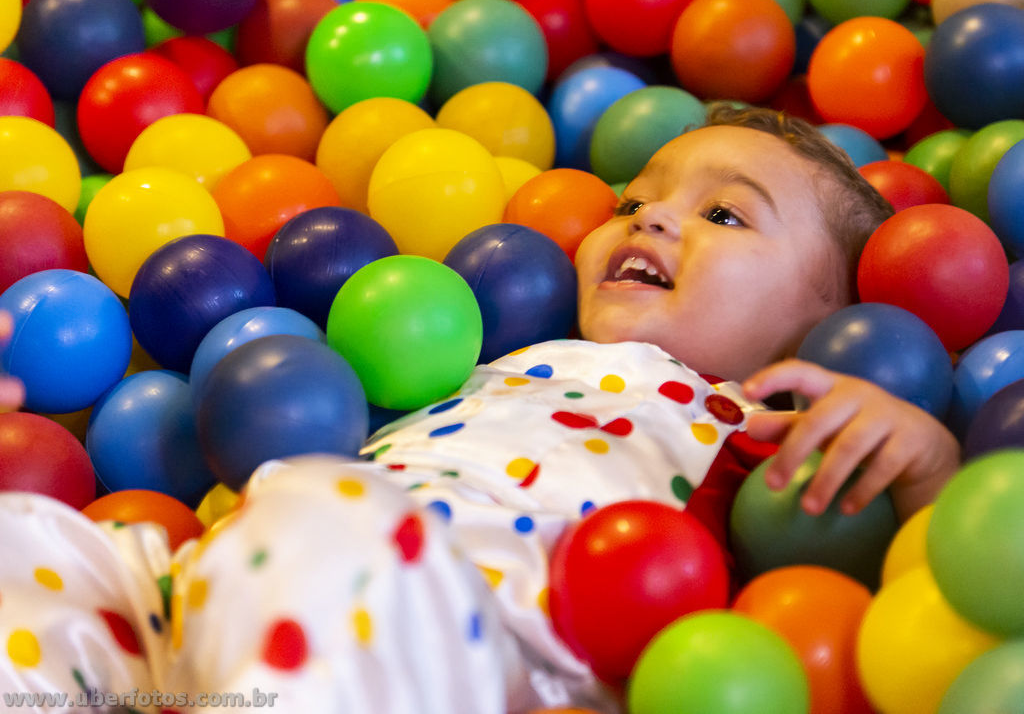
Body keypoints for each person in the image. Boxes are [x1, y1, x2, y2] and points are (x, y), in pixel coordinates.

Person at [0, 106, 960, 713]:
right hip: (220, 599)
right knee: (35, 549)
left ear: (827, 325)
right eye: (633, 201)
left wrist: (923, 467)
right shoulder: (504, 355)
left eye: (725, 215)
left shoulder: (762, 422)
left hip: (462, 651)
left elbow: (940, 581)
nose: (652, 218)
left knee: (329, 511)